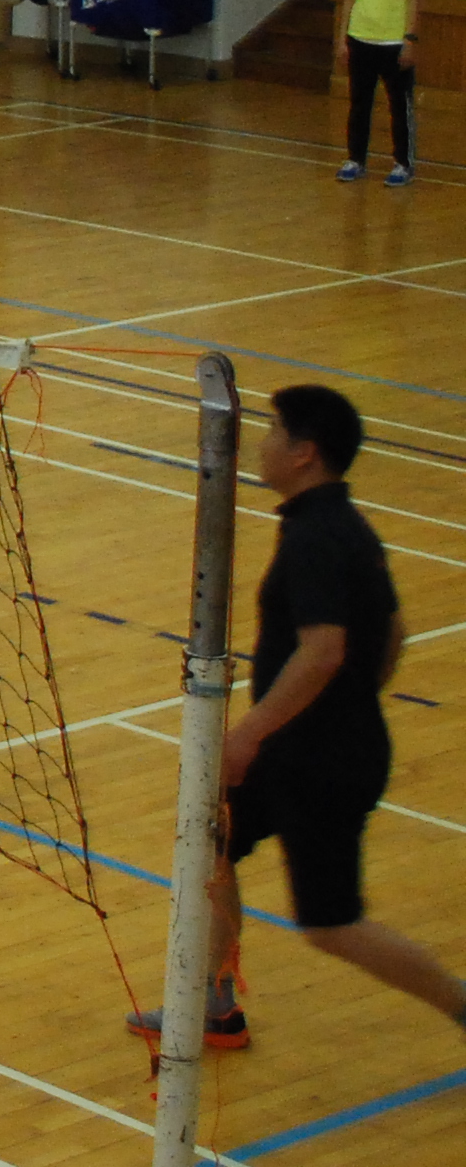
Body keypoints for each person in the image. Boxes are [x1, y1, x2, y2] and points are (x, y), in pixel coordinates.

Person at [127, 385, 466, 1054]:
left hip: (318, 764)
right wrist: (347, 706)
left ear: (304, 452)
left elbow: (324, 649)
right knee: (211, 840)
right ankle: (214, 1001)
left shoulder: (316, 536)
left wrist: (248, 733)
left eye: (274, 431)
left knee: (331, 924)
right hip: (310, 747)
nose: (263, 444)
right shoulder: (343, 525)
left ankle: (460, 1003)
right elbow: (394, 630)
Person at [341, 0, 423, 186]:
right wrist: (343, 38)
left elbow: (414, 0)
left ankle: (403, 163)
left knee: (399, 105)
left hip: (394, 41)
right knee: (359, 103)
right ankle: (355, 159)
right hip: (361, 37)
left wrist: (409, 39)